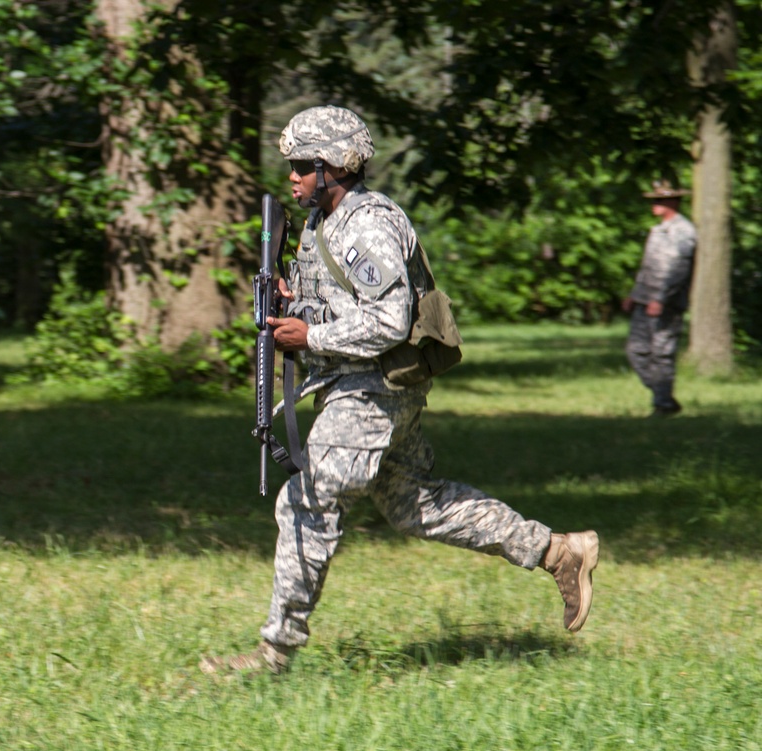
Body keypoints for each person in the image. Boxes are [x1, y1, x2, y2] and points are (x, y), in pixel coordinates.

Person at [200, 105, 599, 676]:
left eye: (300, 164)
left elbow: (388, 320)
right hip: (365, 386)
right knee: (418, 506)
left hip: (373, 391)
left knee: (306, 501)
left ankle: (274, 653)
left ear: (332, 164)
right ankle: (560, 551)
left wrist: (310, 333)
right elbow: (346, 304)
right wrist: (295, 307)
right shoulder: (322, 220)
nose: (290, 174)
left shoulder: (367, 223)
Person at [622, 180, 697, 417]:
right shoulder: (657, 231)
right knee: (636, 351)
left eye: (659, 200)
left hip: (666, 304)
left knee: (661, 353)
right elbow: (648, 267)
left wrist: (661, 298)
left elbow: (677, 270)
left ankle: (662, 405)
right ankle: (663, 397)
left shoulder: (683, 232)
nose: (654, 205)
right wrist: (635, 294)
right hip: (645, 301)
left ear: (673, 202)